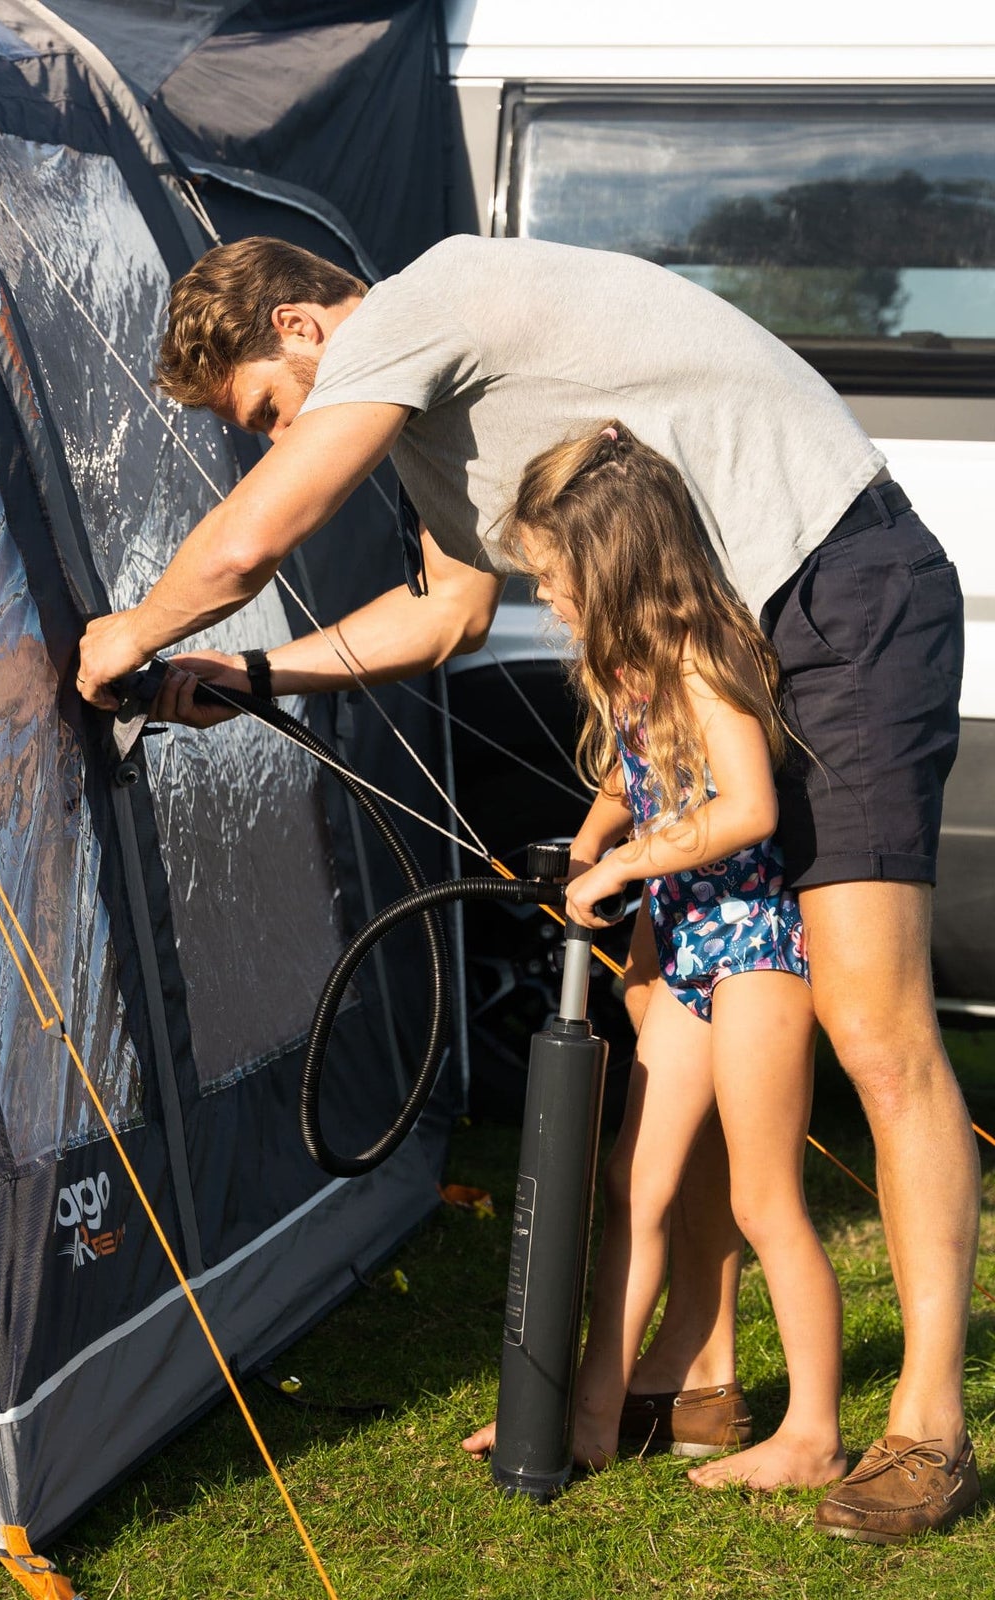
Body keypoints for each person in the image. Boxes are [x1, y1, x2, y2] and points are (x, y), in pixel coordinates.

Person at [76, 235, 980, 1538]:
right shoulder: (440, 440)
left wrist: (136, 632)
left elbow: (261, 532)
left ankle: (929, 1433)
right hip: (722, 644)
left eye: (272, 409)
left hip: (840, 592)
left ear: (303, 326)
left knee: (874, 1029)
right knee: (682, 1037)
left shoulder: (423, 304)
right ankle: (702, 1375)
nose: (288, 436)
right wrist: (250, 679)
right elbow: (444, 618)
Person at [460, 419, 845, 1489]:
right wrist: (585, 842)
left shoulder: (702, 657)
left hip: (756, 951)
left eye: (553, 576)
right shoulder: (630, 668)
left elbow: (748, 805)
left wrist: (630, 862)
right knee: (634, 1178)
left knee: (767, 1198)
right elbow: (634, 777)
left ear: (612, 559)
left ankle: (813, 1433)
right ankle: (584, 1417)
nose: (548, 598)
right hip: (685, 955)